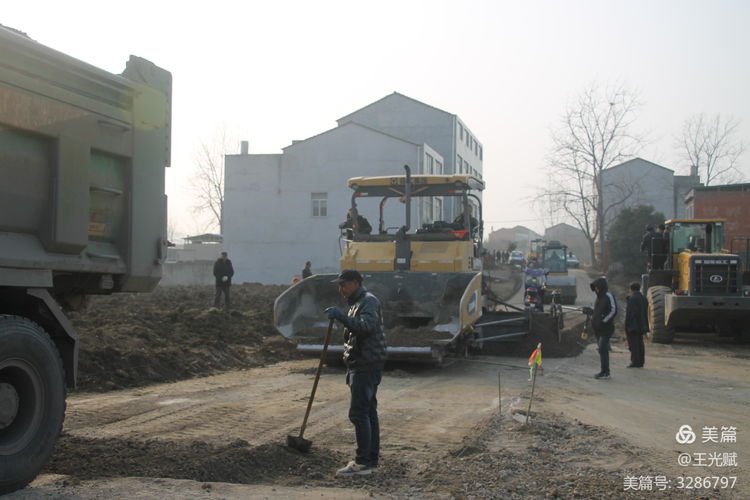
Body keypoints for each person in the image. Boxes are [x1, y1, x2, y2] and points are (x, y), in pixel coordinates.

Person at [324, 270, 386, 476]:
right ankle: (370, 460)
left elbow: (367, 327)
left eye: (344, 285)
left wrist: (341, 317)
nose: (340, 289)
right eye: (339, 285)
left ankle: (362, 463)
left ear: (356, 283)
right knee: (368, 412)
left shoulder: (368, 301)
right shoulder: (357, 303)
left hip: (366, 364)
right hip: (364, 362)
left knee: (359, 413)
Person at [590, 276, 617, 380]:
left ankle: (605, 372)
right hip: (598, 328)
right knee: (602, 350)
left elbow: (613, 310)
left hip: (606, 328)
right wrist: (591, 312)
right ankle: (604, 371)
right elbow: (597, 311)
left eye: (596, 287)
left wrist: (604, 321)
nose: (595, 289)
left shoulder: (608, 296)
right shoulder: (598, 298)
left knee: (603, 349)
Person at [625, 282, 648, 368]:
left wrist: (627, 326)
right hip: (642, 325)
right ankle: (641, 362)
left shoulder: (632, 299)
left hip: (633, 325)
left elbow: (630, 314)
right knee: (640, 343)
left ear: (631, 289)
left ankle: (634, 362)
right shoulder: (643, 298)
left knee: (634, 345)